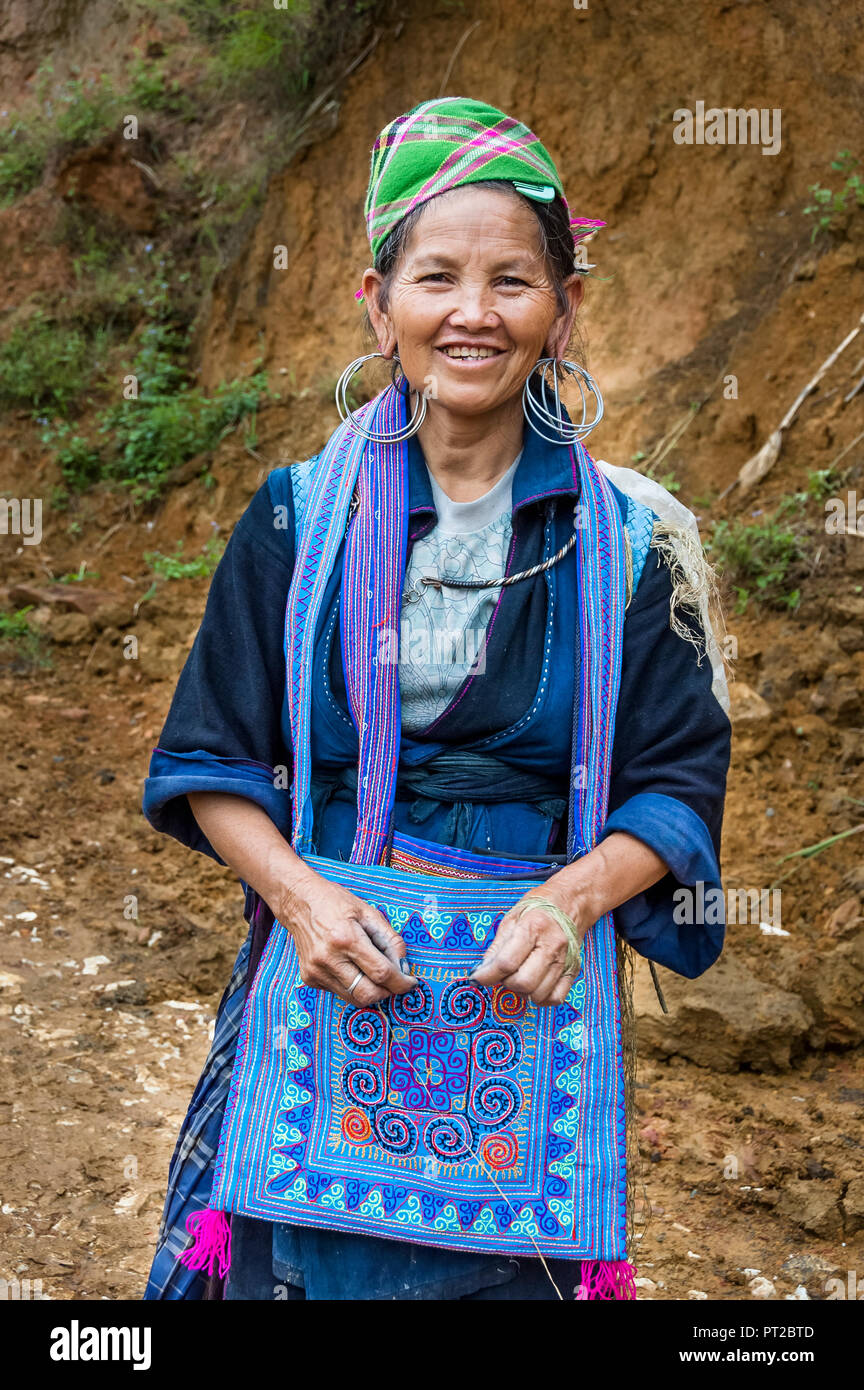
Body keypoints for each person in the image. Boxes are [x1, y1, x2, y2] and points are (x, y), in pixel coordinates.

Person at [142, 97, 731, 1302]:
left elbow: (677, 780)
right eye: (437, 277)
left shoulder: (632, 542)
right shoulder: (300, 519)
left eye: (514, 280)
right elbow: (211, 760)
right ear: (378, 301)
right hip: (326, 983)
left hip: (528, 1012)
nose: (473, 313)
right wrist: (303, 903)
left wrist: (575, 899)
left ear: (565, 308)